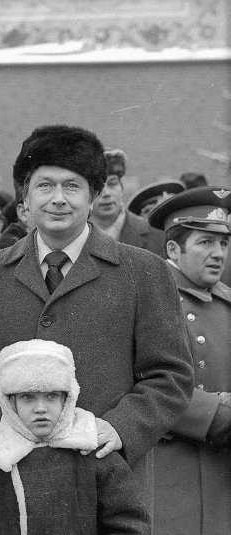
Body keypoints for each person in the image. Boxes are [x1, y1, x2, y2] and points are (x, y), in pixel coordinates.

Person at [0, 125, 193, 492]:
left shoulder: (144, 272)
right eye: (45, 185)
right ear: (25, 197)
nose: (58, 199)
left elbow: (170, 376)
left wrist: (120, 429)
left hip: (107, 480)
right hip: (10, 485)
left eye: (72, 186)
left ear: (94, 195)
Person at [0, 339, 150, 534]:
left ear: (67, 398)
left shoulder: (93, 451)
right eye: (27, 397)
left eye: (51, 396)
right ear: (10, 403)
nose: (40, 409)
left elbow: (129, 522)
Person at [148, 186, 231, 534]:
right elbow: (149, 382)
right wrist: (220, 415)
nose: (218, 254)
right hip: (173, 474)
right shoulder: (151, 297)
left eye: (223, 243)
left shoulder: (227, 301)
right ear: (172, 248)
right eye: (205, 242)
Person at [89, 148, 165, 256]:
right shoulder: (70, 234)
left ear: (121, 187)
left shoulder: (156, 236)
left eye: (112, 183)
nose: (106, 193)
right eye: (98, 187)